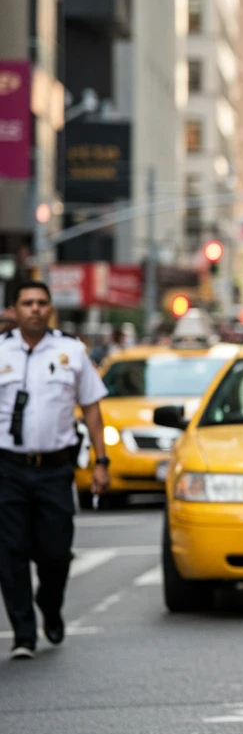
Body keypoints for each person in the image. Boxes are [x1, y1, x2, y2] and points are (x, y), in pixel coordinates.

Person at [0, 281, 110, 659]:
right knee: (9, 553)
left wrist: (102, 460)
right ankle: (24, 634)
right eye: (27, 303)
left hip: (54, 470)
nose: (35, 309)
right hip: (7, 470)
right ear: (13, 310)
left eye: (41, 303)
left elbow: (92, 407)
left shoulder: (70, 351)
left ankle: (49, 605)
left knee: (55, 553)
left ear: (50, 309)